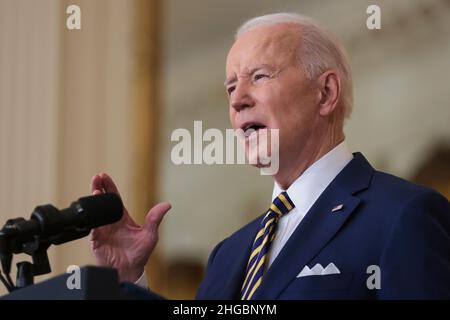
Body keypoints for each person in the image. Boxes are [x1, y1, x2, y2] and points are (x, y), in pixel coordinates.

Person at [90, 13, 450, 299]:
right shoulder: (227, 255)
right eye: (231, 86)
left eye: (259, 77)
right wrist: (128, 279)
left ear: (325, 93)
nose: (237, 99)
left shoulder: (402, 216)